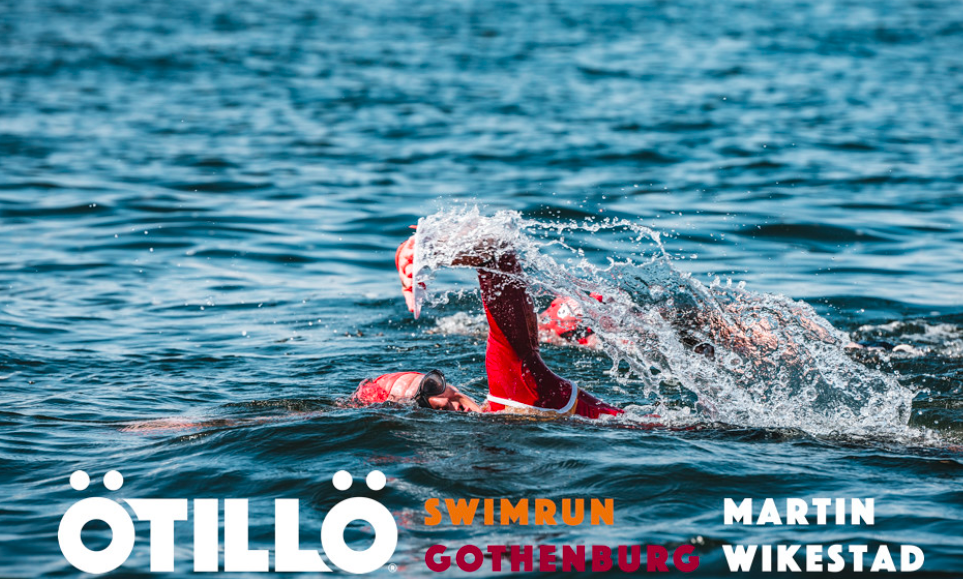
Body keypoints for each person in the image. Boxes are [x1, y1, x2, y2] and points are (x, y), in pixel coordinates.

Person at [350, 233, 623, 419]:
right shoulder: (497, 420)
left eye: (432, 386)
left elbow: (495, 252)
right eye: (421, 404)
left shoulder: (515, 390)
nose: (438, 402)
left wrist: (429, 248)